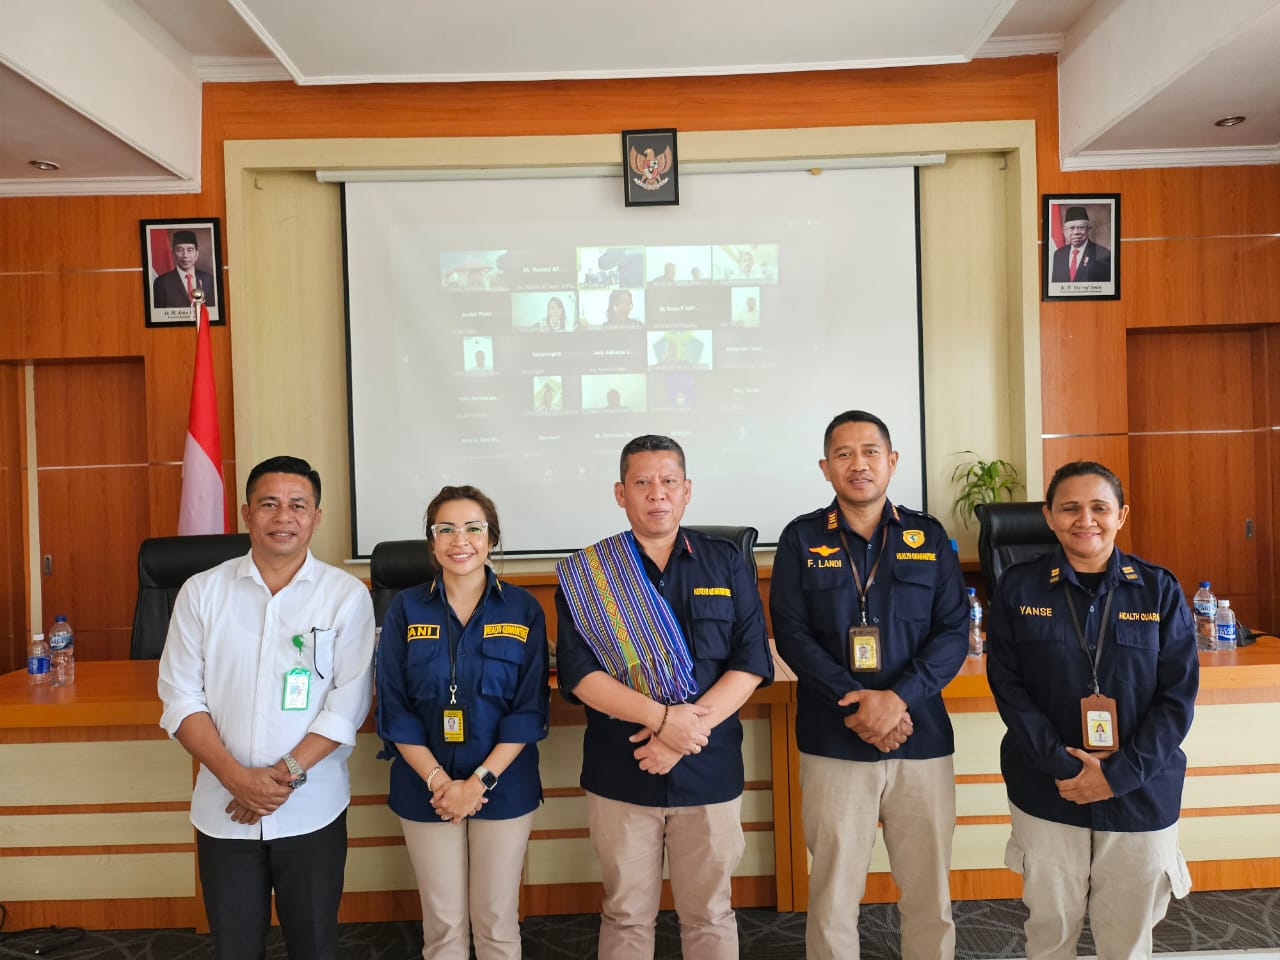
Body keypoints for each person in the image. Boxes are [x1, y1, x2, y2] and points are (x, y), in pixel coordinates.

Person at [555, 435, 774, 960]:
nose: (657, 493)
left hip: (708, 765)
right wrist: (663, 720)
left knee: (711, 913)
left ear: (687, 490)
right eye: (642, 482)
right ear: (620, 493)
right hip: (622, 767)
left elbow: (750, 662)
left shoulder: (726, 562)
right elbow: (580, 676)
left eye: (669, 481)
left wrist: (683, 735)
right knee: (625, 914)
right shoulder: (589, 573)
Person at [157, 455, 376, 960]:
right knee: (234, 947)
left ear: (316, 517)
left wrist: (280, 777)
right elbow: (180, 698)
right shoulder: (202, 592)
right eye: (269, 504)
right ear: (246, 514)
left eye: (297, 505)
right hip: (224, 808)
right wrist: (236, 779)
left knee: (314, 946)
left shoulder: (345, 596)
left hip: (312, 808)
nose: (284, 516)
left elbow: (349, 703)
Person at [770, 410, 968, 960]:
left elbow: (953, 631)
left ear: (892, 461)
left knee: (929, 893)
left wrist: (898, 699)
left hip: (919, 736)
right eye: (844, 454)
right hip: (834, 738)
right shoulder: (801, 538)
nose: (858, 464)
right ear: (825, 468)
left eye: (870, 452)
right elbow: (791, 634)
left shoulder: (928, 536)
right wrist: (857, 704)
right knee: (833, 893)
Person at [985, 461, 1198, 960]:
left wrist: (1116, 776)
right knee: (1051, 929)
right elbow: (1009, 688)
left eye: (1099, 507)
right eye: (1070, 508)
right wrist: (1066, 768)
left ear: (1121, 515)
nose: (1086, 520)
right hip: (1048, 787)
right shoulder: (1018, 587)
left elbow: (1177, 698)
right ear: (1048, 516)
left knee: (1128, 936)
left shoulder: (1158, 589)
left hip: (1140, 790)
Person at [376, 485, 550, 960]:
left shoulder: (523, 609)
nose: (461, 540)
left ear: (492, 538)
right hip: (424, 786)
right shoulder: (405, 609)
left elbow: (529, 711)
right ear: (431, 542)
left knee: (496, 920)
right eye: (446, 529)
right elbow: (394, 709)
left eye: (474, 528)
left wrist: (476, 784)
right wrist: (440, 782)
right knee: (444, 925)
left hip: (503, 785)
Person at [153, 229, 217, 308]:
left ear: (196, 254)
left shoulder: (209, 280)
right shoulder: (161, 282)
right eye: (180, 250)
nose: (185, 255)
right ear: (173, 254)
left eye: (190, 250)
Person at [1050, 206, 1112, 283]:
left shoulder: (1103, 254)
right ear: (1064, 231)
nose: (1076, 232)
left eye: (1081, 227)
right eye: (1071, 228)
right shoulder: (1058, 254)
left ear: (1088, 230)